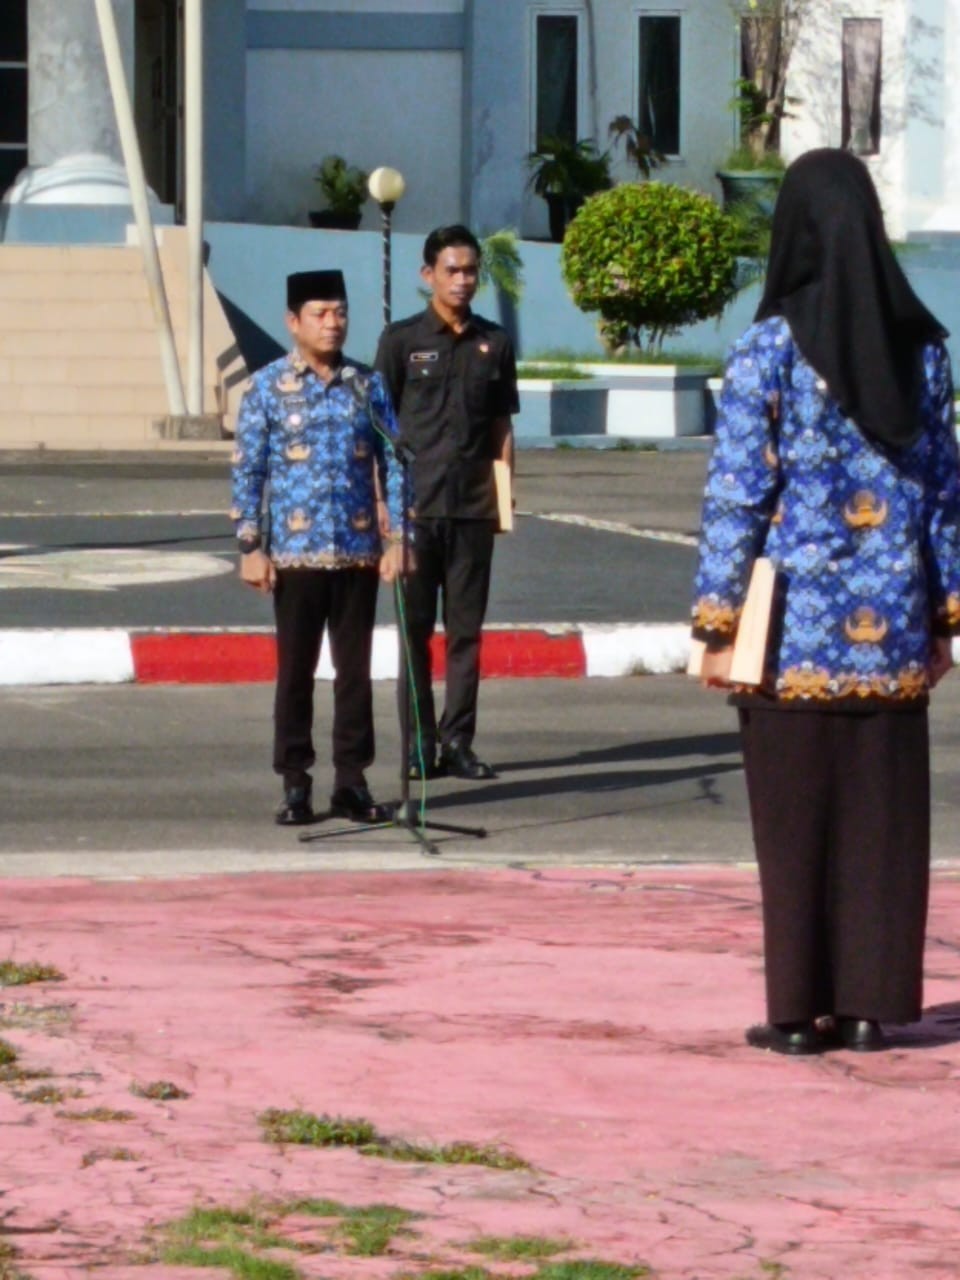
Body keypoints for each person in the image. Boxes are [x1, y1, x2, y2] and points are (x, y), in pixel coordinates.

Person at [691, 149, 960, 1056]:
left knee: (796, 824)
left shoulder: (769, 350)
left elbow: (739, 495)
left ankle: (798, 1013)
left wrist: (716, 622)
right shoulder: (922, 352)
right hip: (893, 635)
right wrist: (946, 618)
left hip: (792, 636)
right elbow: (944, 493)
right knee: (882, 828)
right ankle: (868, 1008)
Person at [231, 269, 406, 826]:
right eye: (321, 314)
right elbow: (248, 471)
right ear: (293, 321)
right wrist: (250, 546)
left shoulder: (368, 385)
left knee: (355, 674)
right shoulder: (266, 388)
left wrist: (398, 538)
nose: (333, 324)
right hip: (296, 556)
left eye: (340, 312)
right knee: (296, 673)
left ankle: (351, 782)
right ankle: (295, 783)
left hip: (358, 551)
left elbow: (394, 462)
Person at [375, 225, 518, 781]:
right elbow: (380, 430)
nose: (462, 280)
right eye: (452, 270)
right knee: (414, 635)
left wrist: (504, 498)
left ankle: (458, 742)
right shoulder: (401, 341)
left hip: (473, 510)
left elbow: (502, 426)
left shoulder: (494, 343)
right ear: (428, 274)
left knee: (466, 634)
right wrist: (384, 507)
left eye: (470, 270)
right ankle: (419, 745)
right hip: (415, 510)